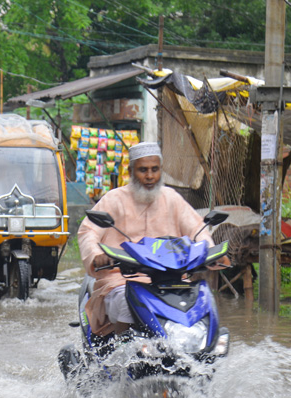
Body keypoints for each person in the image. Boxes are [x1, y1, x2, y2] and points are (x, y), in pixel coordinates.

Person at [77, 141, 218, 337]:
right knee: (126, 304)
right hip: (122, 278)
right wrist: (97, 255)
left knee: (200, 304)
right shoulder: (113, 199)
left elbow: (197, 229)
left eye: (154, 169)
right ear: (131, 171)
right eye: (143, 170)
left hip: (171, 278)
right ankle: (122, 356)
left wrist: (209, 251)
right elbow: (88, 232)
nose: (150, 176)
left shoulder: (172, 199)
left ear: (161, 171)